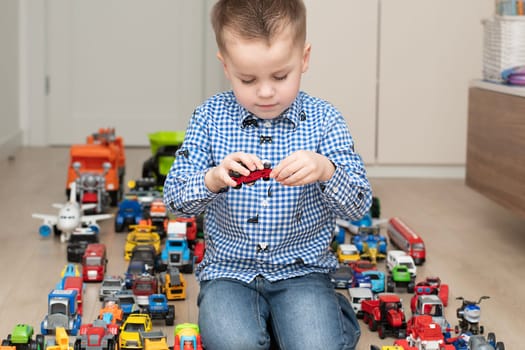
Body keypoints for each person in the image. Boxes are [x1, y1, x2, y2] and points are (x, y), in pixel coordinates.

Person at [163, 0, 372, 349]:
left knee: (317, 345)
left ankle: (331, 315)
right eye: (248, 78)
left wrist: (326, 170)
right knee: (232, 343)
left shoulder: (325, 121)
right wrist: (212, 178)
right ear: (226, 66)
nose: (265, 91)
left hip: (302, 271)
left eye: (280, 76)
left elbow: (359, 205)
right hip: (229, 273)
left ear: (303, 59)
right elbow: (174, 198)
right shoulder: (208, 118)